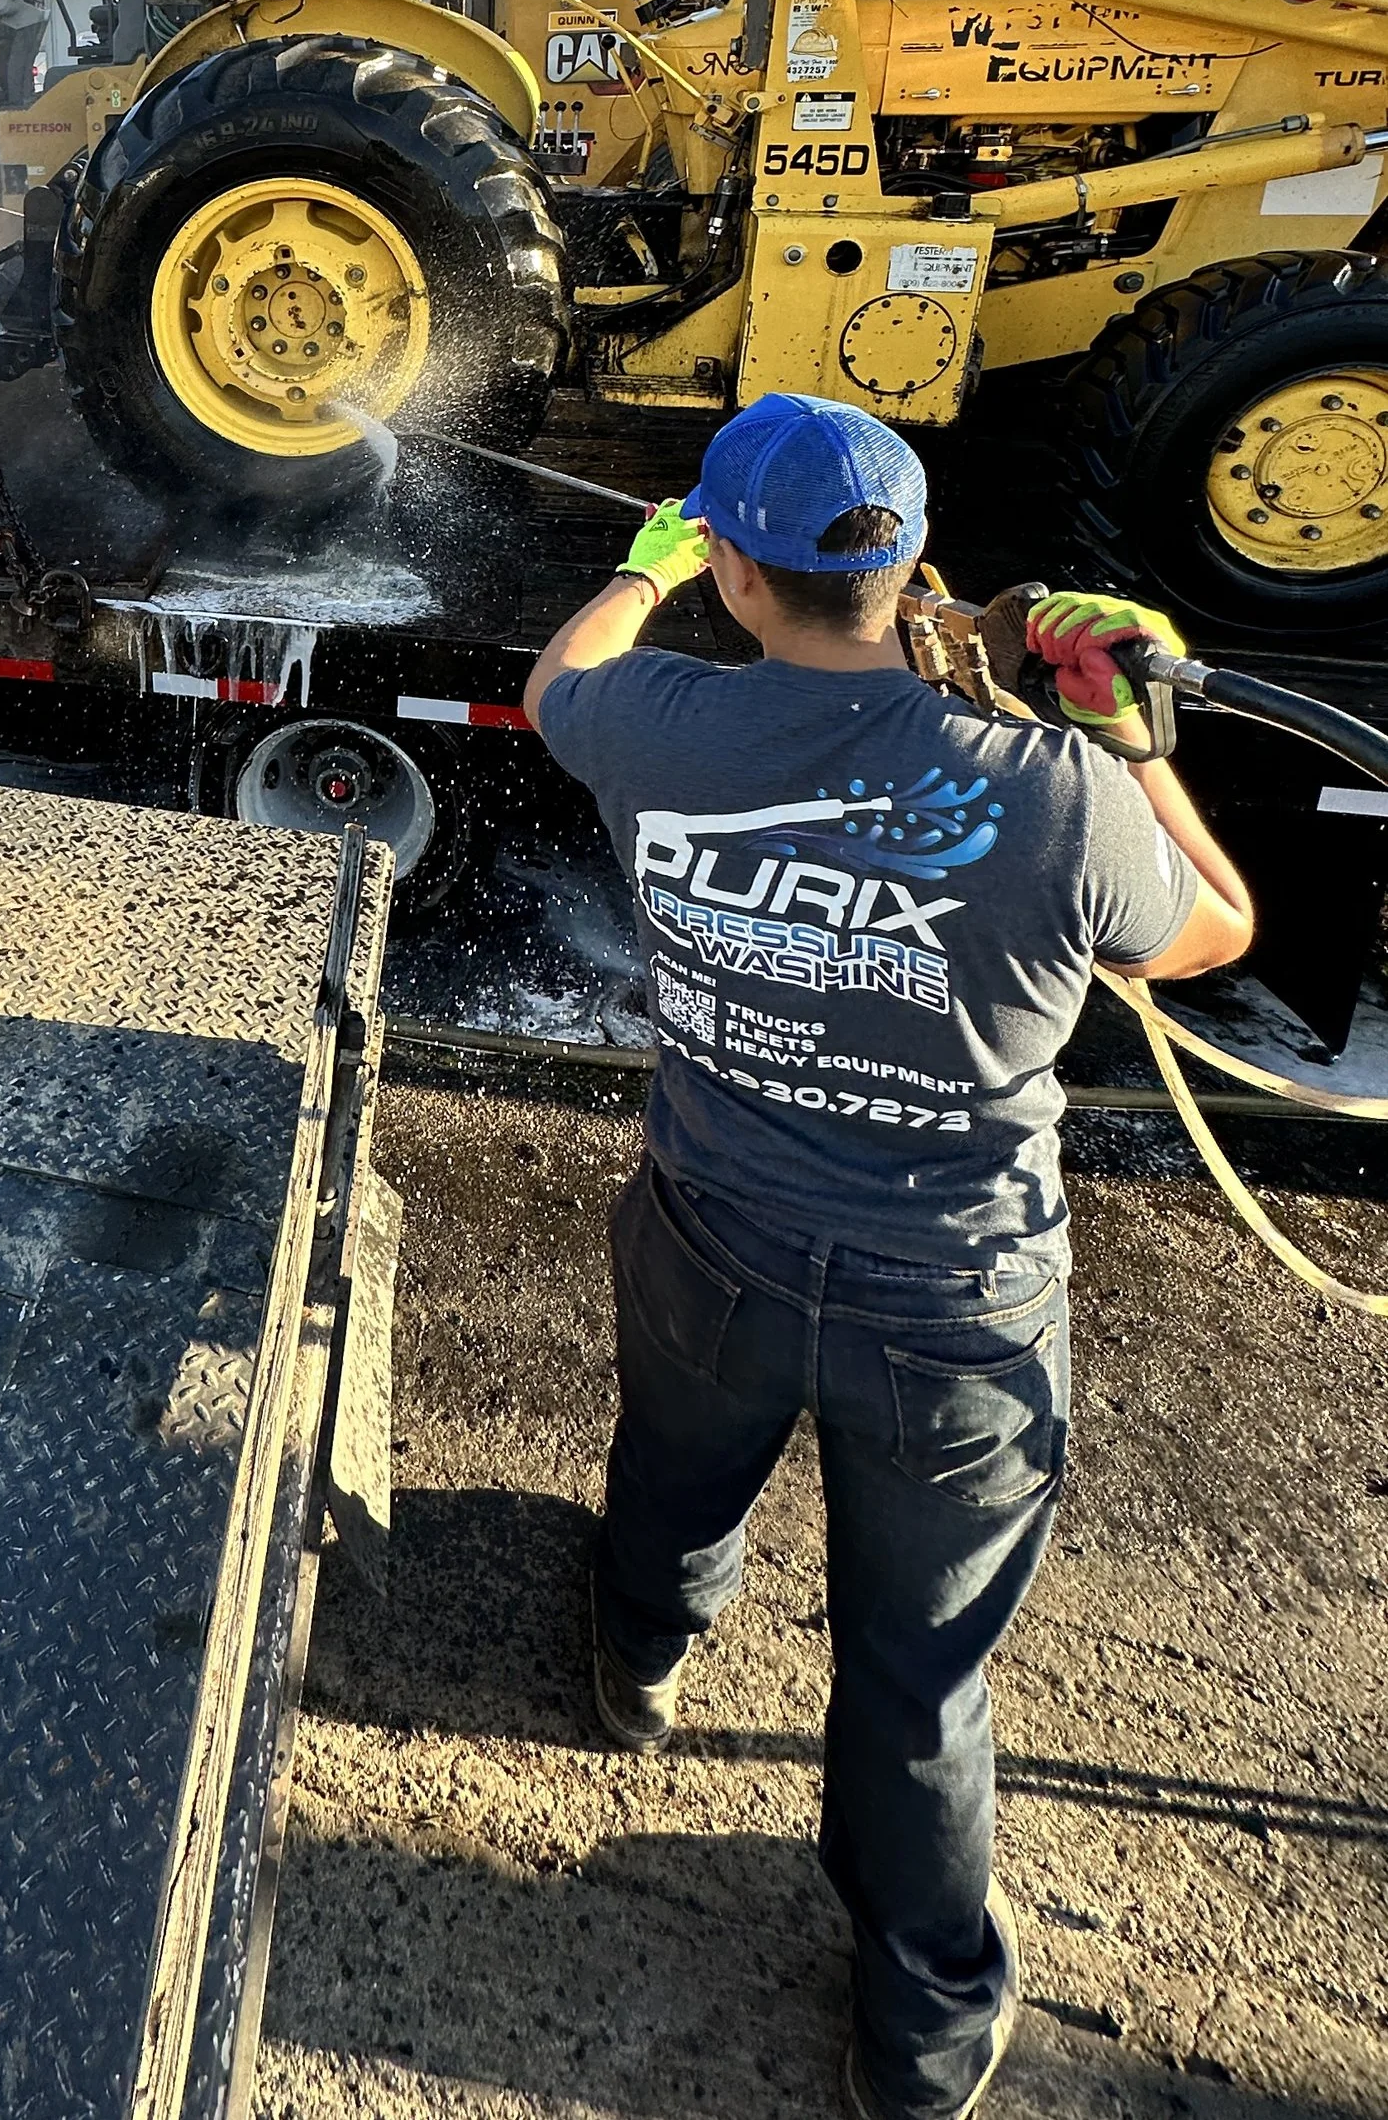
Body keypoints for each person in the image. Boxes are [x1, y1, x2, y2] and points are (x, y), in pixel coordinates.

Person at [520, 391, 1253, 2120]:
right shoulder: (1056, 792)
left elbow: (554, 685)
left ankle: (637, 1662)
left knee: (674, 1474)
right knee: (920, 1678)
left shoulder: (655, 722)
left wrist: (644, 567)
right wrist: (1135, 734)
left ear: (739, 584)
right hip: (959, 1307)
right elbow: (1215, 932)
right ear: (915, 563)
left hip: (713, 1233)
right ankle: (919, 2036)